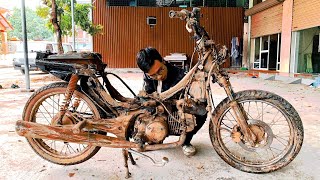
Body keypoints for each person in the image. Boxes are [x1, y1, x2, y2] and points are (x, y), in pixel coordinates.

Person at [136, 47, 206, 156]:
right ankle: (153, 137)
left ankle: (185, 142)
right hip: (158, 112)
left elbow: (197, 101)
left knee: (202, 112)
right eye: (153, 75)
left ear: (163, 61)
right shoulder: (148, 77)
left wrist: (188, 101)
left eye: (160, 70)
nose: (158, 76)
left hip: (174, 111)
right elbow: (147, 95)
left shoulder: (180, 74)